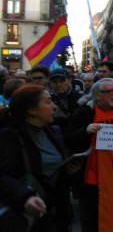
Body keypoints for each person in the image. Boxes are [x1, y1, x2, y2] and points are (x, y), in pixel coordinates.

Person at [65, 78, 113, 232]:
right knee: (92, 218)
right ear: (97, 95)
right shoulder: (84, 112)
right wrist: (85, 130)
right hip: (91, 177)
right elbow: (68, 138)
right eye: (109, 91)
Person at [0, 85, 70, 232]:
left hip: (55, 214)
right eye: (48, 102)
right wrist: (25, 197)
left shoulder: (52, 132)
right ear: (32, 110)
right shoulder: (10, 136)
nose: (54, 106)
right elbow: (3, 175)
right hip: (28, 217)